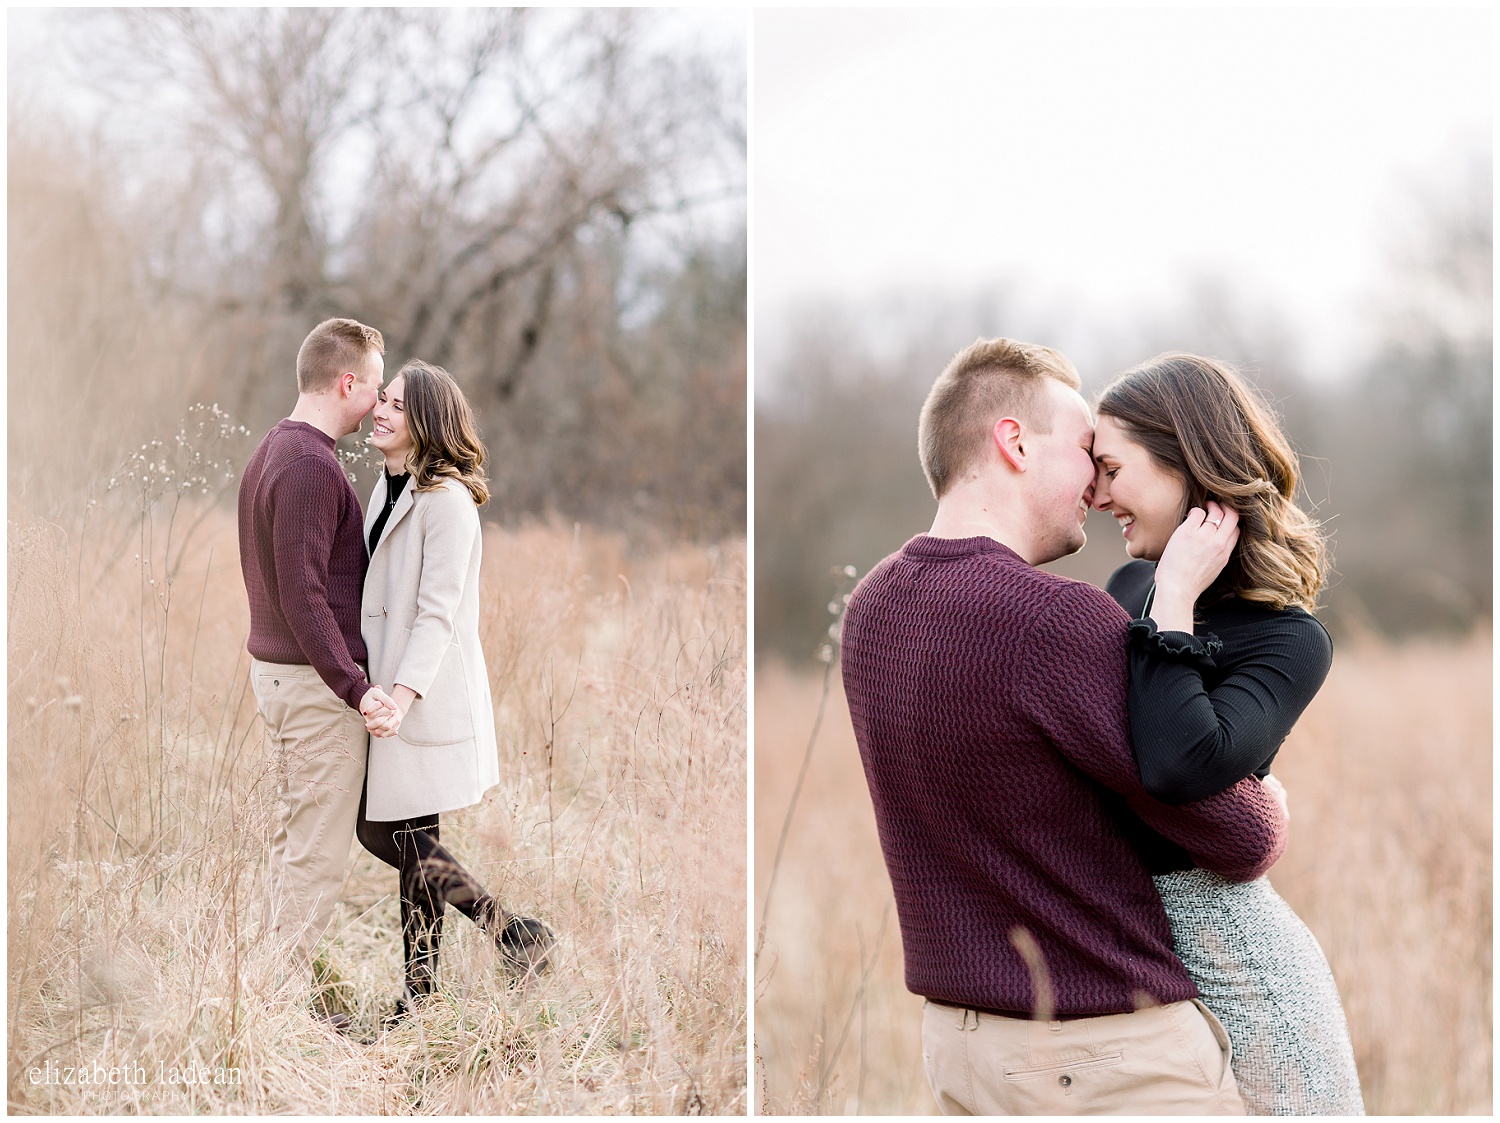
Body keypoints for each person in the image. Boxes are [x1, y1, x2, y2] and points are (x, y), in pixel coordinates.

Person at [840, 337, 1290, 1115]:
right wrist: (1274, 800)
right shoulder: (1055, 620)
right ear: (1013, 442)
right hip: (1107, 1060)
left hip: (958, 1050)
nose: (1095, 482)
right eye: (1086, 449)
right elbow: (1238, 841)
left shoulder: (872, 607)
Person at [1091, 353, 1364, 1115]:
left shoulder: (1290, 640)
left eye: (1113, 468)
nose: (1098, 495)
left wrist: (1175, 594)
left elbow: (1179, 766)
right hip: (1122, 959)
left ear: (1185, 462)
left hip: (1244, 968)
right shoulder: (1124, 588)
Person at [355, 358, 553, 1024]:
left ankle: (492, 944)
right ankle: (448, 974)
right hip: (390, 693)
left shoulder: (447, 502)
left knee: (394, 833)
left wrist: (402, 698)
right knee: (409, 837)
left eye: (397, 406)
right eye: (381, 398)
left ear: (429, 422)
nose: (380, 410)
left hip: (424, 696)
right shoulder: (387, 486)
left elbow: (437, 613)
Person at [238, 317, 401, 1026]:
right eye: (375, 389)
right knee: (314, 858)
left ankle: (259, 989)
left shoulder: (279, 448)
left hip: (283, 678)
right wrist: (356, 686)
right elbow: (303, 595)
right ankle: (271, 1014)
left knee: (292, 840)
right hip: (308, 687)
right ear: (346, 382)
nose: (379, 406)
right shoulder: (309, 465)